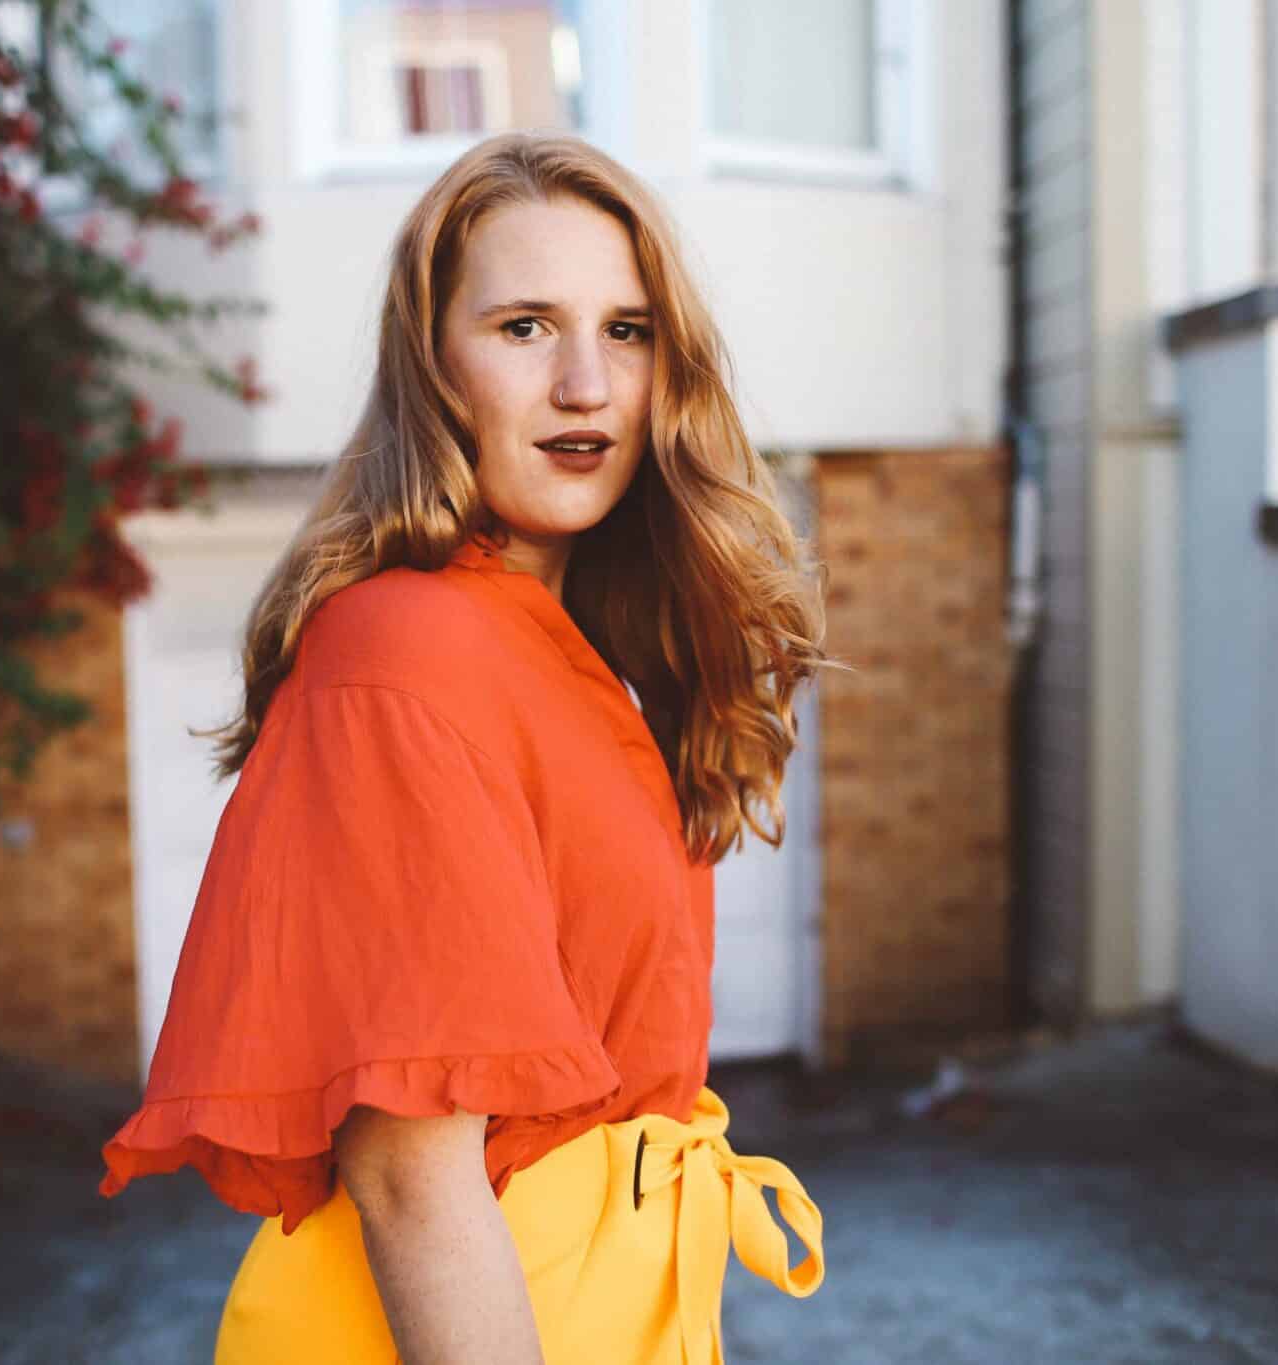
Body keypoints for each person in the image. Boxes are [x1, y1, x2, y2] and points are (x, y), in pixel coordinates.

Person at [98, 130, 833, 1364]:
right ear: (434, 367)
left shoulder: (568, 649)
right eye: (523, 328)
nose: (586, 386)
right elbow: (410, 1174)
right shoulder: (400, 651)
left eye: (627, 331)